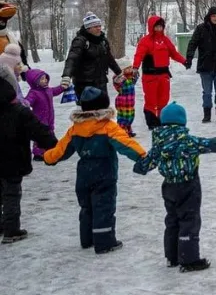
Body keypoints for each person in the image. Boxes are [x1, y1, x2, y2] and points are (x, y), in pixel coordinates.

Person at [133, 102, 216, 272]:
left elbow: (146, 164)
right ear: (182, 122)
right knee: (189, 221)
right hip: (188, 185)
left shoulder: (159, 144)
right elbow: (207, 144)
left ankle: (172, 256)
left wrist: (140, 166)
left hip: (168, 186)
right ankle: (189, 259)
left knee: (172, 220)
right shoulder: (186, 141)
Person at [43, 87, 146, 254]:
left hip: (84, 173)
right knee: (103, 206)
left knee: (86, 207)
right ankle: (104, 242)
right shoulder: (107, 127)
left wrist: (49, 157)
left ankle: (87, 239)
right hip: (104, 171)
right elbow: (126, 144)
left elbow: (61, 150)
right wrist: (142, 156)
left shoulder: (75, 129)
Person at [0, 66, 57, 244]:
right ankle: (11, 230)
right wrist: (57, 147)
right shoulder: (20, 112)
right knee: (11, 194)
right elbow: (39, 132)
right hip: (13, 162)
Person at [133, 15, 187, 130]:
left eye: (161, 27)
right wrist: (135, 67)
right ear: (152, 27)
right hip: (150, 76)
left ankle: (162, 120)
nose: (159, 29)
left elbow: (174, 53)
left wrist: (184, 61)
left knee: (163, 99)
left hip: (164, 75)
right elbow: (139, 55)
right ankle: (152, 122)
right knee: (151, 100)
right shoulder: (145, 41)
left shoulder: (165, 40)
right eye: (156, 27)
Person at [62, 12, 122, 105]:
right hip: (85, 84)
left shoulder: (103, 40)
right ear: (88, 28)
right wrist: (66, 75)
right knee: (86, 114)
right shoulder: (80, 41)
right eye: (95, 26)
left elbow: (109, 58)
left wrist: (119, 72)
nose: (99, 28)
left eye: (99, 26)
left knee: (102, 111)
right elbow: (72, 59)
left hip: (101, 82)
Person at [22, 69, 64, 160]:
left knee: (50, 132)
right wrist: (26, 102)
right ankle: (38, 153)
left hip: (49, 117)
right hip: (39, 118)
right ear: (35, 82)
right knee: (40, 135)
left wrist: (62, 87)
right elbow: (29, 100)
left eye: (45, 78)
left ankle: (50, 149)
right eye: (42, 79)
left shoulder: (48, 90)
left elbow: (55, 91)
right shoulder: (34, 93)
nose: (45, 81)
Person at [112, 67, 139, 136]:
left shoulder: (130, 78)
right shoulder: (121, 79)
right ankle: (121, 132)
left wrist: (135, 73)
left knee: (130, 117)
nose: (130, 69)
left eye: (130, 68)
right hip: (122, 103)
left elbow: (135, 78)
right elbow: (116, 81)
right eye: (128, 68)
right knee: (123, 118)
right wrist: (119, 74)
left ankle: (128, 130)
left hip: (130, 103)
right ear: (122, 70)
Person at [0, 1, 28, 67]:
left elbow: (23, 65)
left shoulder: (13, 42)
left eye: (2, 21)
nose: (1, 23)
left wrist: (34, 75)